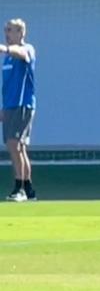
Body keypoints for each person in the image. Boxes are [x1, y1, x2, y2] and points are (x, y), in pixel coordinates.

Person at [1, 18, 36, 202]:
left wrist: (6, 49)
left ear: (21, 33)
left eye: (10, 30)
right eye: (5, 30)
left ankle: (19, 189)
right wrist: (3, 108)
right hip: (9, 107)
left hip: (22, 105)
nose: (6, 33)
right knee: (19, 148)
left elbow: (22, 53)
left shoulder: (27, 49)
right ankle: (29, 189)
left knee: (14, 145)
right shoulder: (7, 58)